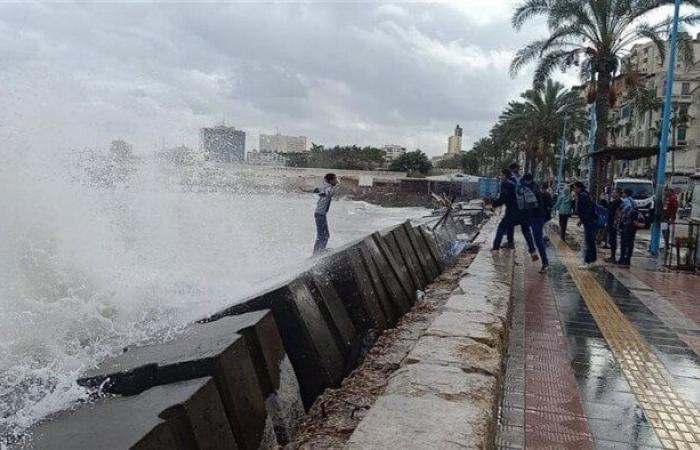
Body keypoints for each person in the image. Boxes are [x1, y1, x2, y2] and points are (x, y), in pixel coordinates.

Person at [490, 168, 538, 260]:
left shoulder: (506, 184)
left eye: (501, 175)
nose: (501, 177)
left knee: (501, 226)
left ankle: (495, 248)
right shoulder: (518, 181)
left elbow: (503, 199)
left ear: (505, 175)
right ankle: (533, 251)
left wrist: (493, 203)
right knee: (526, 231)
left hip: (513, 212)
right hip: (525, 211)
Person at [522, 174, 549, 272]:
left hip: (537, 218)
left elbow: (532, 205)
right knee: (525, 229)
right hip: (532, 217)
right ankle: (532, 251)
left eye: (525, 181)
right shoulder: (531, 187)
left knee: (538, 240)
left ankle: (545, 263)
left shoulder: (534, 190)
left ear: (528, 181)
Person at [311, 173, 339, 256]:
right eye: (335, 179)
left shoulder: (327, 187)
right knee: (322, 235)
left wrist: (308, 190)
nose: (336, 180)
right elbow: (324, 192)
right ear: (330, 181)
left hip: (321, 214)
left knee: (325, 235)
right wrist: (321, 193)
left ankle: (320, 251)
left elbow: (317, 190)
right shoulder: (328, 188)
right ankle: (316, 253)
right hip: (320, 214)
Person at [573, 181, 598, 269]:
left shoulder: (583, 196)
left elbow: (586, 210)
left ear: (579, 188)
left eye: (575, 188)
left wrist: (584, 220)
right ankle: (593, 260)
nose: (574, 190)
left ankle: (587, 262)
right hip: (589, 221)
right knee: (590, 241)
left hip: (589, 222)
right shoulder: (585, 194)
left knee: (589, 241)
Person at [618, 188, 642, 267]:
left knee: (624, 242)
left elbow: (623, 211)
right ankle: (627, 259)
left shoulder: (626, 201)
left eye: (623, 193)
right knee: (630, 242)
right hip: (633, 226)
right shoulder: (634, 202)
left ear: (625, 194)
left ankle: (622, 259)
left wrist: (621, 216)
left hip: (627, 224)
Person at [605, 189, 623, 263]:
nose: (612, 194)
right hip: (610, 222)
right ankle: (612, 256)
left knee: (613, 240)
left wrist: (615, 223)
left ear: (618, 194)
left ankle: (613, 257)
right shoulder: (614, 201)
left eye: (614, 192)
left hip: (613, 224)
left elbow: (616, 213)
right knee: (611, 239)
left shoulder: (618, 202)